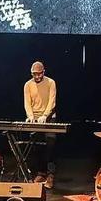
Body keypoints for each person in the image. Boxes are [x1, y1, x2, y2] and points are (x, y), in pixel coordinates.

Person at [23, 61, 57, 189]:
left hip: (48, 117)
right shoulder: (28, 85)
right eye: (34, 74)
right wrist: (31, 116)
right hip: (35, 118)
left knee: (50, 143)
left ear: (43, 72)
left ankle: (50, 174)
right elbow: (27, 103)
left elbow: (52, 101)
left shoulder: (51, 82)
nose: (37, 77)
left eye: (39, 74)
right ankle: (41, 173)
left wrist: (45, 115)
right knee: (36, 146)